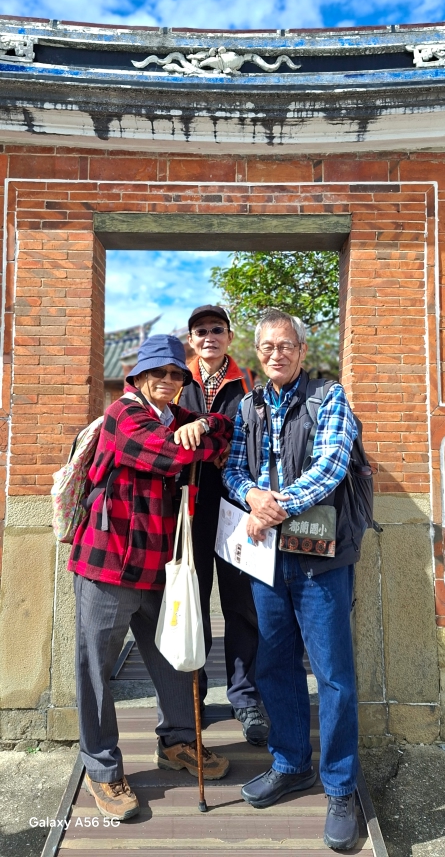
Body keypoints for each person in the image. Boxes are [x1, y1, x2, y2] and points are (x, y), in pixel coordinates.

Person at [68, 335, 233, 822]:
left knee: (175, 656)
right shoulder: (124, 414)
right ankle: (102, 767)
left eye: (175, 374)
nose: (167, 380)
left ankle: (178, 741)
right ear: (138, 376)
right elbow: (168, 455)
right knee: (96, 669)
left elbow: (226, 429)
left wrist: (204, 424)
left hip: (162, 565)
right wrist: (198, 441)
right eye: (157, 372)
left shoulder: (178, 417)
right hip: (108, 563)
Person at [224, 309, 360, 852]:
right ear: (257, 354)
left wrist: (272, 507)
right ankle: (290, 764)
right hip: (267, 557)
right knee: (274, 663)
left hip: (319, 556)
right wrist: (251, 497)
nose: (276, 354)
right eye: (268, 347)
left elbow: (331, 465)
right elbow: (233, 468)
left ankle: (341, 788)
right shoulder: (248, 405)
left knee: (333, 674)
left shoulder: (329, 397)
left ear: (302, 351)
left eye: (286, 346)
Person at [175, 305, 269, 746]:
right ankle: (192, 694)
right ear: (191, 340)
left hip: (236, 508)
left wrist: (217, 439)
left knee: (241, 604)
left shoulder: (249, 383)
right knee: (191, 601)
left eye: (216, 329)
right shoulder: (176, 382)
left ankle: (245, 696)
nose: (208, 336)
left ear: (230, 337)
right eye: (200, 331)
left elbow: (259, 441)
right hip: (190, 507)